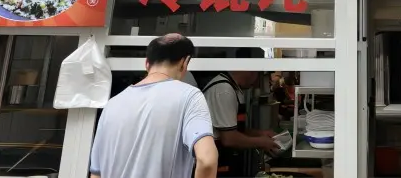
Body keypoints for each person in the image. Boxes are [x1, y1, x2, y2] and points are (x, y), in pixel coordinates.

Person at [90, 33, 218, 178]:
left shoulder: (112, 104)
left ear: (147, 63)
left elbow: (96, 174)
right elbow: (207, 160)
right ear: (185, 62)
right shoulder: (190, 96)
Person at [203, 69, 279, 175]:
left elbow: (235, 129)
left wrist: (260, 133)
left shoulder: (233, 88)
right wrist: (261, 142)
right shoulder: (224, 89)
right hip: (216, 162)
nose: (257, 81)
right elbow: (228, 139)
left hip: (226, 159)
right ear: (250, 71)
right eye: (258, 74)